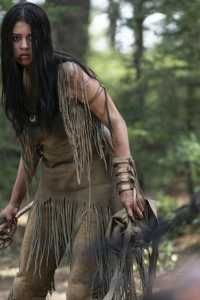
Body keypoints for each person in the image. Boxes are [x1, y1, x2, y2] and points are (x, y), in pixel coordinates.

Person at [0, 3, 147, 300]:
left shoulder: (68, 74)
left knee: (82, 290)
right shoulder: (16, 85)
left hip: (94, 190)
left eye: (32, 37)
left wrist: (127, 187)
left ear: (44, 38)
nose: (24, 46)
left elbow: (117, 122)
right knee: (27, 285)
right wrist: (13, 205)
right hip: (52, 195)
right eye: (16, 38)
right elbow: (31, 151)